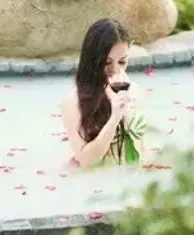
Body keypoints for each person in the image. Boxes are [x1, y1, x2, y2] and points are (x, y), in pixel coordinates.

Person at [61, 18, 147, 169]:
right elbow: (87, 162)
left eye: (122, 62)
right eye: (107, 62)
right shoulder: (73, 101)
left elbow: (142, 148)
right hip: (92, 179)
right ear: (92, 60)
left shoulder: (133, 91)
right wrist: (114, 118)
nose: (116, 70)